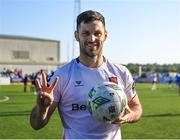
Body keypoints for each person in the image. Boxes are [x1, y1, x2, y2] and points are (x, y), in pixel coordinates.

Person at [30, 10, 143, 139]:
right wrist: (42, 109)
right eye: (86, 33)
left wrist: (129, 116)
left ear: (105, 36)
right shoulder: (61, 76)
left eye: (97, 33)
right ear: (77, 36)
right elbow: (36, 124)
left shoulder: (121, 72)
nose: (92, 39)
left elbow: (136, 107)